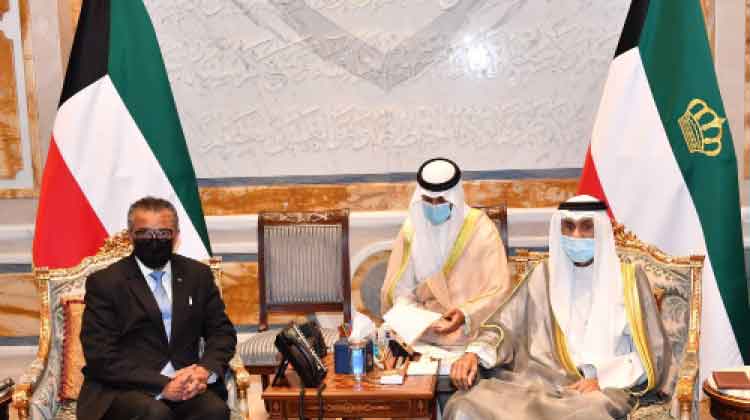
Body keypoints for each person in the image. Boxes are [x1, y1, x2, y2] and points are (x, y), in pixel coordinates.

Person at [445, 195, 670, 420]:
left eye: (586, 227)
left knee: (589, 414)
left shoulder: (629, 280)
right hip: (537, 382)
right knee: (463, 406)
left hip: (596, 391)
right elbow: (506, 325)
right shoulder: (543, 275)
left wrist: (603, 379)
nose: (576, 236)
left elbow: (652, 354)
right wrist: (474, 354)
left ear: (601, 230)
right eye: (569, 227)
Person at [78, 197, 237, 420]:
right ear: (130, 235)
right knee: (155, 414)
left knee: (214, 411)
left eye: (163, 233)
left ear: (176, 235)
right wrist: (163, 384)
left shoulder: (197, 275)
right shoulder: (106, 282)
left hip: (186, 385)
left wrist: (203, 371)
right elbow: (100, 354)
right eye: (144, 233)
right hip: (124, 388)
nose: (154, 240)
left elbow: (222, 333)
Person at [380, 157, 511, 347]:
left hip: (469, 331)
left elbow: (498, 291)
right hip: (421, 333)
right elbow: (401, 289)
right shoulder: (412, 230)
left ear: (454, 198)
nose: (434, 206)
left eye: (440, 200)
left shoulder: (481, 230)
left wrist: (465, 314)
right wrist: (414, 317)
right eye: (427, 200)